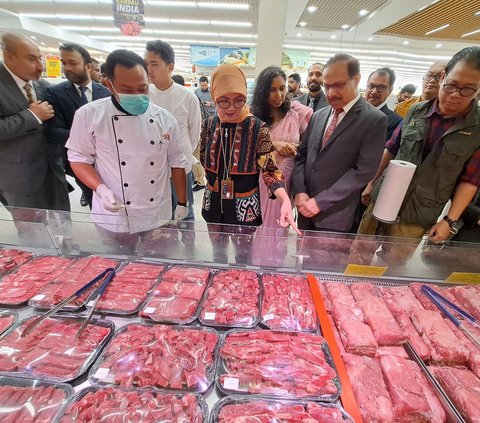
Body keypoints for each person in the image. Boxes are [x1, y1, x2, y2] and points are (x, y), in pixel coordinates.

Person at [66, 49, 188, 252]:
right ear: (109, 83)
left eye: (142, 88)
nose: (137, 95)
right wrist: (101, 189)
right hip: (114, 214)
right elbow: (78, 158)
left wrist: (182, 203)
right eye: (127, 89)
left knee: (158, 266)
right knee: (120, 271)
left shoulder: (164, 119)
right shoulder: (89, 115)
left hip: (156, 211)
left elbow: (176, 161)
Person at [358, 46, 480, 248]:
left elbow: (470, 181)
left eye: (467, 89)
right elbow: (392, 148)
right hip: (383, 197)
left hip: (419, 212)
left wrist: (449, 220)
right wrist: (371, 182)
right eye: (451, 85)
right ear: (442, 78)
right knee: (360, 252)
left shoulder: (476, 128)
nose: (456, 94)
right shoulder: (416, 111)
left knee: (394, 267)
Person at [199, 63, 298, 263]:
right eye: (223, 101)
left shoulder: (256, 127)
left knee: (243, 257)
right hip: (213, 203)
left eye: (239, 100)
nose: (232, 108)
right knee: (217, 255)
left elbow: (270, 168)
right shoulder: (209, 125)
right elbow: (203, 159)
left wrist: (284, 199)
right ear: (213, 98)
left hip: (245, 207)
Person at [291, 53, 387, 233]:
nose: (331, 93)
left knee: (327, 260)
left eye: (339, 85)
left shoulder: (373, 120)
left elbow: (363, 171)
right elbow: (302, 156)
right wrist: (299, 191)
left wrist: (320, 202)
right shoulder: (318, 115)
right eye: (326, 86)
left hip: (334, 216)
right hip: (304, 210)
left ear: (356, 80)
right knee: (302, 259)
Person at [46, 43, 111, 210]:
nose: (67, 68)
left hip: (108, 161)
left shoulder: (105, 93)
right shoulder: (55, 94)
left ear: (88, 66)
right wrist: (86, 139)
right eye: (64, 63)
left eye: (72, 63)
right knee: (95, 201)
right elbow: (52, 131)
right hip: (79, 162)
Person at [0, 32, 56, 223]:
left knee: (58, 219)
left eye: (39, 58)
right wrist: (32, 116)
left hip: (50, 169)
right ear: (9, 57)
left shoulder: (40, 85)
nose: (40, 66)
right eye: (32, 59)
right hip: (19, 177)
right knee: (31, 227)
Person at [145, 40, 201, 221]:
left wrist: (181, 153)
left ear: (170, 67)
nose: (148, 69)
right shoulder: (144, 95)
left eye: (154, 64)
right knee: (158, 214)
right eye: (146, 63)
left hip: (181, 168)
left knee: (185, 212)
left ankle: (188, 248)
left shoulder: (187, 97)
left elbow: (194, 133)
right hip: (151, 169)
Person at [251, 66, 312, 229]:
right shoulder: (253, 116)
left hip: (288, 178)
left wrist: (294, 148)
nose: (278, 95)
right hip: (261, 179)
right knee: (261, 224)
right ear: (263, 92)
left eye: (282, 88)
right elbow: (246, 148)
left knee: (281, 224)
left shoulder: (296, 112)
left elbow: (309, 146)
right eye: (272, 90)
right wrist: (273, 145)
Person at [365, 67, 402, 140]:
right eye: (371, 86)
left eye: (381, 87)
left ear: (390, 90)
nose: (374, 91)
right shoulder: (352, 112)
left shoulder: (396, 123)